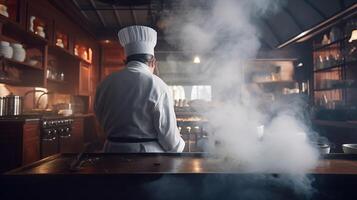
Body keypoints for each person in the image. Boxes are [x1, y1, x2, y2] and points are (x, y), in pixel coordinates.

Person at [94, 25, 185, 153]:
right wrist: (180, 144)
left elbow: (98, 120)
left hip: (111, 152)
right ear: (153, 62)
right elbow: (170, 139)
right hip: (147, 157)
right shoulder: (158, 85)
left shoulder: (105, 83)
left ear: (124, 60)